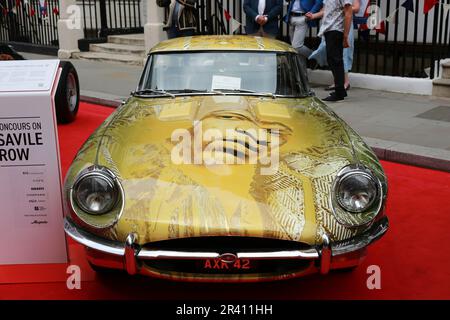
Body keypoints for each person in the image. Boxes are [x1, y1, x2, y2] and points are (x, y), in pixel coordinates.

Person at [306, 0, 353, 102]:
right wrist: (313, 16)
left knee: (336, 61)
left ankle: (339, 92)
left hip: (336, 30)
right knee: (333, 60)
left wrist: (345, 36)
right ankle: (340, 90)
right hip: (329, 29)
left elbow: (348, 13)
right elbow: (327, 10)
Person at [284, 0, 323, 64]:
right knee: (295, 49)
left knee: (296, 46)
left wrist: (311, 13)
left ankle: (316, 56)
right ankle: (302, 69)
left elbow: (319, 2)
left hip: (303, 17)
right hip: (291, 16)